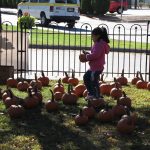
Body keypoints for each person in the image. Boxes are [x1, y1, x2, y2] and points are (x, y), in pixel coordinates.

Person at [79, 27, 110, 100]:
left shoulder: (99, 44)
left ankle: (95, 95)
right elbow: (95, 54)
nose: (92, 38)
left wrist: (86, 57)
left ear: (98, 36)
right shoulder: (99, 43)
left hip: (96, 68)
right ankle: (94, 94)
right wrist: (88, 54)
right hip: (94, 67)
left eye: (93, 36)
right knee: (87, 78)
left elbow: (96, 55)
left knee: (93, 81)